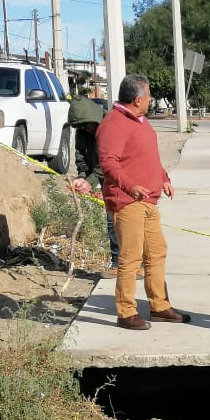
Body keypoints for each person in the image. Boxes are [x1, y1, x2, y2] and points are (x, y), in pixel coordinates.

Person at [96, 73, 190, 330]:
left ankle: (159, 306)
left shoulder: (140, 120)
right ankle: (126, 312)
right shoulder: (113, 124)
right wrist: (130, 186)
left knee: (157, 252)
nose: (150, 100)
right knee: (130, 257)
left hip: (149, 200)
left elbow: (149, 155)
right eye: (148, 97)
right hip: (127, 202)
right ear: (138, 99)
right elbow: (108, 164)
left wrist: (164, 177)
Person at [68, 96, 136, 281]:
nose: (85, 129)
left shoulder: (110, 126)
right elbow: (82, 157)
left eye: (87, 125)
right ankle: (117, 262)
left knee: (130, 220)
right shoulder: (82, 132)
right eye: (81, 127)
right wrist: (82, 178)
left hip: (125, 178)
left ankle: (137, 264)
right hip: (108, 181)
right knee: (111, 220)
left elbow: (105, 161)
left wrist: (90, 180)